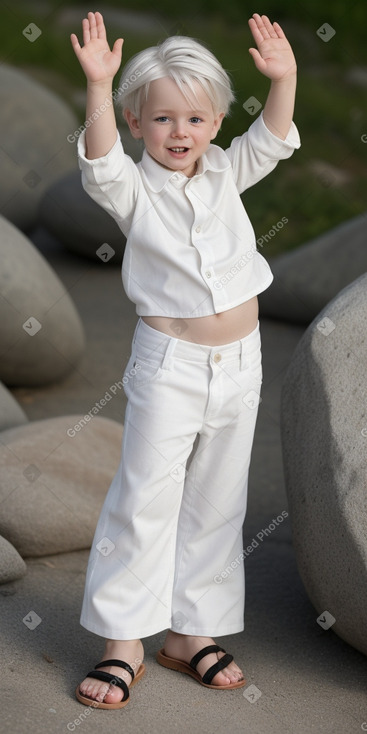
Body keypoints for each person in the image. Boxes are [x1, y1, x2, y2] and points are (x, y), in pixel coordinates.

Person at [70, 10, 300, 709]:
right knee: (145, 497)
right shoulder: (133, 190)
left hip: (240, 365)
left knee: (218, 497)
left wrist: (284, 77)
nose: (180, 133)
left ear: (215, 124)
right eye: (163, 118)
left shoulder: (225, 172)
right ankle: (121, 642)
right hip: (169, 363)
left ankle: (188, 633)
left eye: (195, 120)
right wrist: (101, 87)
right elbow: (101, 158)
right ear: (139, 123)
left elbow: (274, 138)